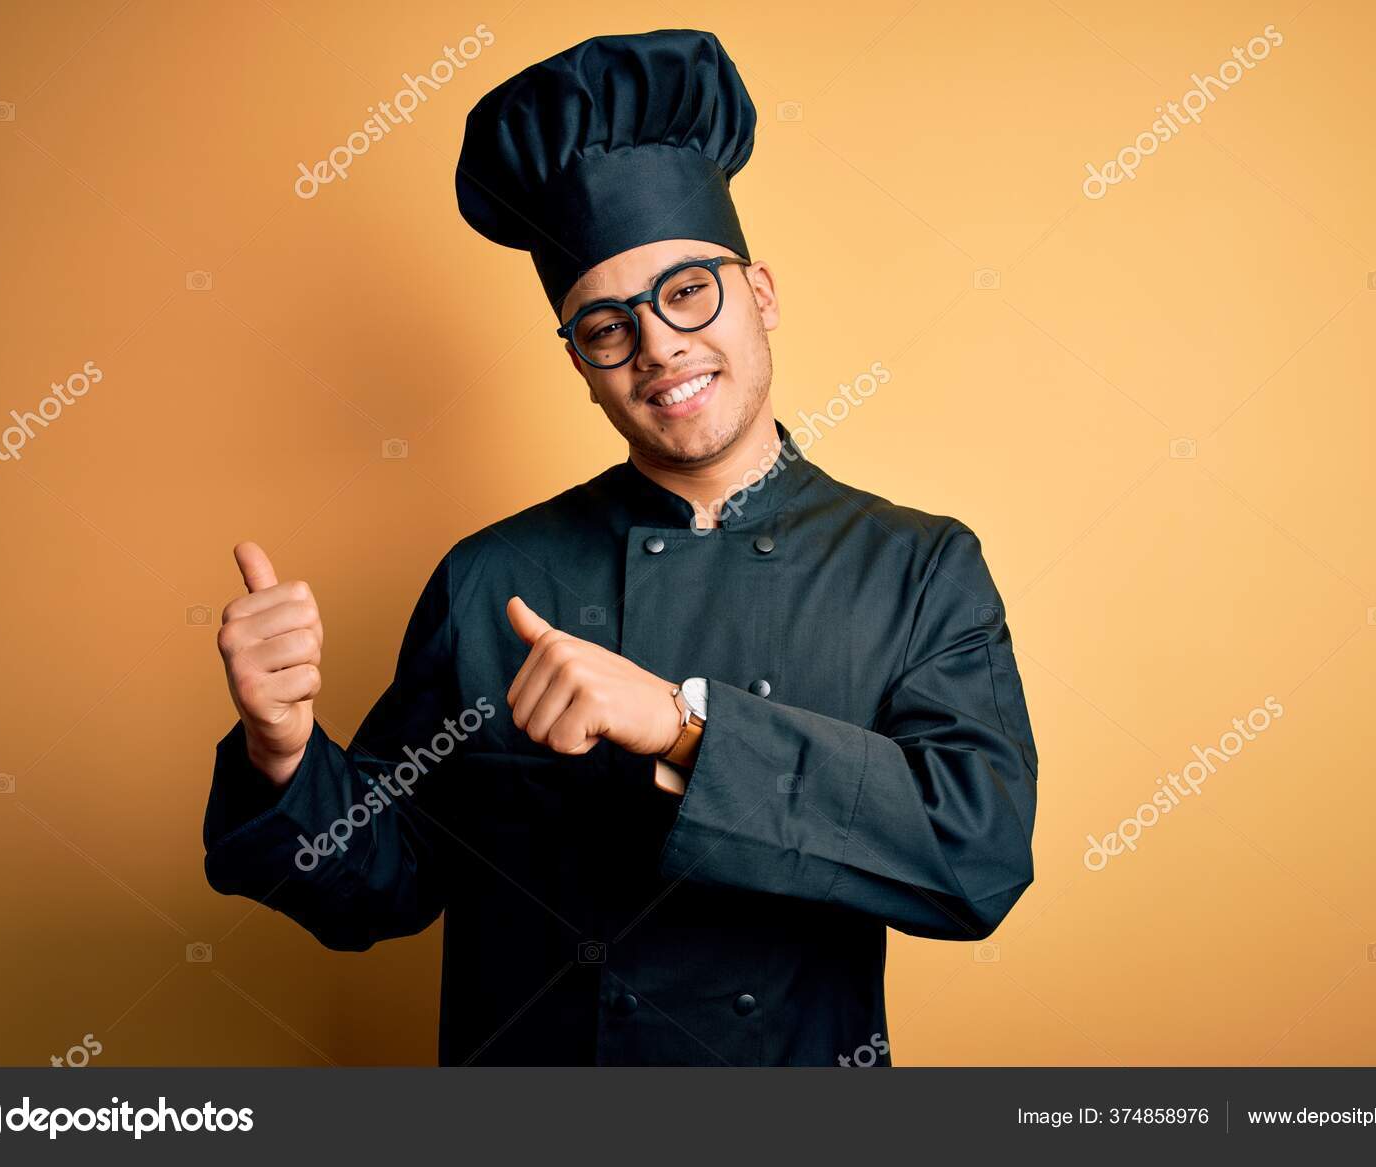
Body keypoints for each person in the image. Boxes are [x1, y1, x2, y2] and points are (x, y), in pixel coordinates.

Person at [203, 28, 1039, 1067]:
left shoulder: (916, 567)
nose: (657, 346)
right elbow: (384, 883)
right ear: (581, 363)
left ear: (761, 293)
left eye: (687, 291)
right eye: (605, 326)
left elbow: (979, 861)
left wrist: (686, 728)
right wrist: (283, 756)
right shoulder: (492, 576)